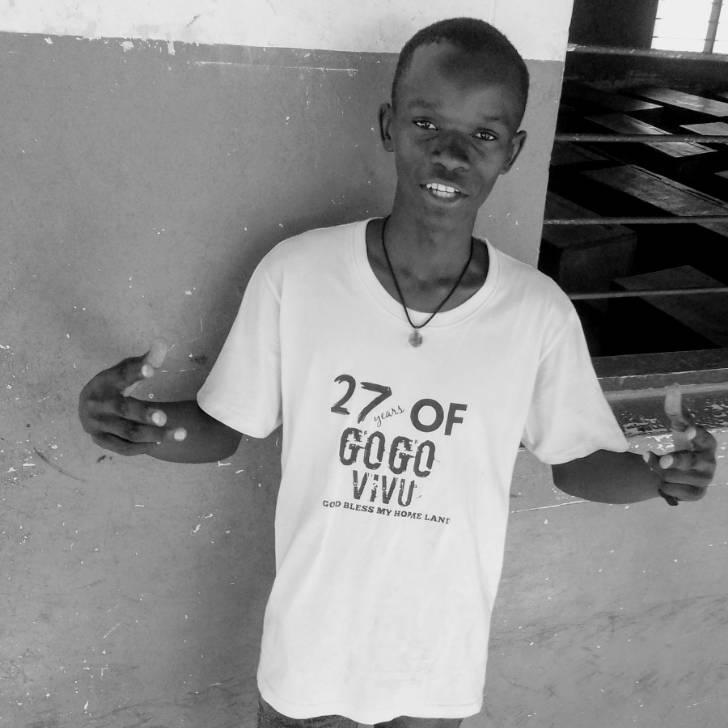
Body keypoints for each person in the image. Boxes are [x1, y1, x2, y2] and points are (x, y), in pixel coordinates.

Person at [78, 17, 717, 728]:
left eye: (483, 134)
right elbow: (224, 426)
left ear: (512, 151)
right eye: (426, 123)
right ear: (389, 127)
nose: (450, 154)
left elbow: (577, 464)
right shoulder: (300, 275)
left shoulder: (536, 314)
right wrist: (141, 425)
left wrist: (658, 477)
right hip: (310, 657)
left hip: (435, 667)